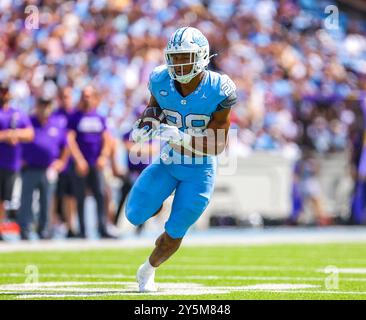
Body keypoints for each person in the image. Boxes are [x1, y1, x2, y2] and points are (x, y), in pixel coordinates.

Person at [125, 27, 237, 292]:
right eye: (174, 57)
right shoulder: (160, 80)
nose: (178, 63)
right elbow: (154, 108)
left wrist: (184, 138)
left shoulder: (219, 88)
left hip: (200, 171)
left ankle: (148, 269)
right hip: (168, 161)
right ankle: (158, 202)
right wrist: (146, 124)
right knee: (134, 214)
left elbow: (219, 143)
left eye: (185, 56)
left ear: (201, 57)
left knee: (175, 230)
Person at [67, 86, 116, 239]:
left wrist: (104, 156)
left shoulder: (100, 117)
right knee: (80, 196)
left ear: (95, 98)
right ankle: (82, 231)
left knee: (100, 195)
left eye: (89, 95)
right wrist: (79, 160)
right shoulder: (75, 117)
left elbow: (107, 139)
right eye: (84, 96)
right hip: (81, 164)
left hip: (96, 163)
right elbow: (70, 139)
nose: (86, 98)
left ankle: (102, 228)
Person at [18, 98, 68, 240]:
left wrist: (61, 162)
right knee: (26, 200)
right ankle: (25, 231)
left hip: (49, 169)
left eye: (47, 105)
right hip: (30, 168)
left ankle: (44, 231)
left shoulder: (57, 123)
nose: (44, 108)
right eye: (42, 105)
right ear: (37, 106)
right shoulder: (29, 122)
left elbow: (65, 145)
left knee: (47, 200)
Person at [0, 84, 34, 240]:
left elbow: (29, 133)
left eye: (5, 91)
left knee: (4, 199)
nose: (4, 94)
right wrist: (7, 136)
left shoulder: (17, 113)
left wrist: (15, 134)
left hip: (10, 163)